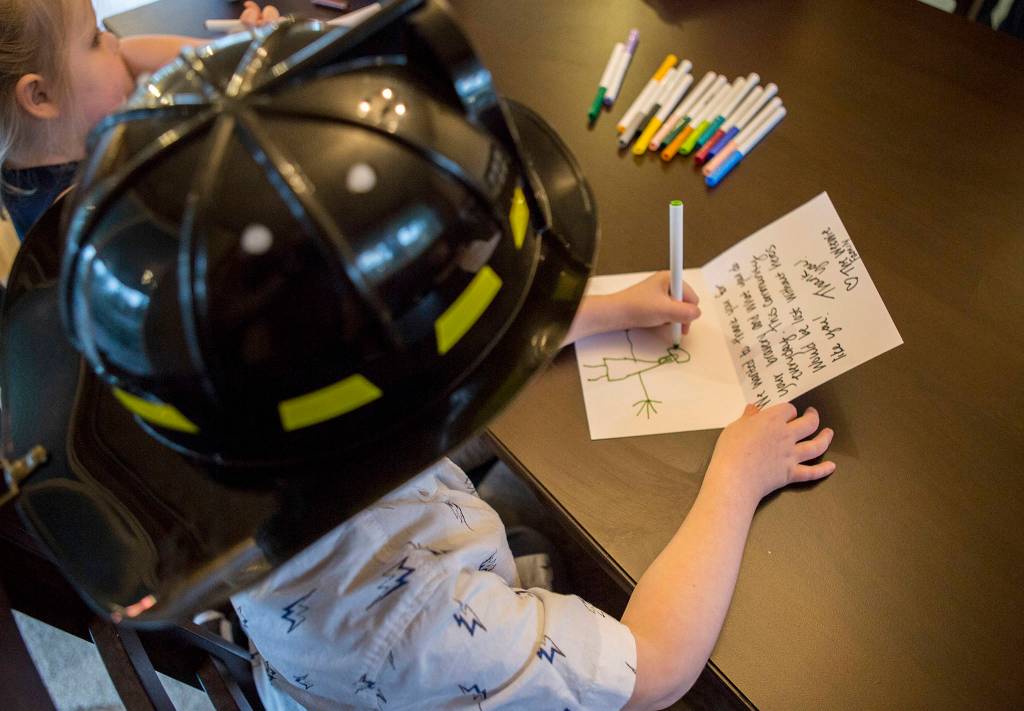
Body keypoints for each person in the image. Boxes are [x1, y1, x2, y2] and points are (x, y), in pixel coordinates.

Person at [0, 4, 835, 710]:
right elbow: (655, 665)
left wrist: (601, 309)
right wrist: (736, 476)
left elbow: (411, 350)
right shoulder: (412, 621)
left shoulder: (243, 422)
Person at [0, 0, 279, 240]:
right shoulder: (90, 211)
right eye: (94, 40)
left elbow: (126, 53)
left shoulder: (37, 144)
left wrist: (244, 49)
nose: (111, 40)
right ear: (40, 96)